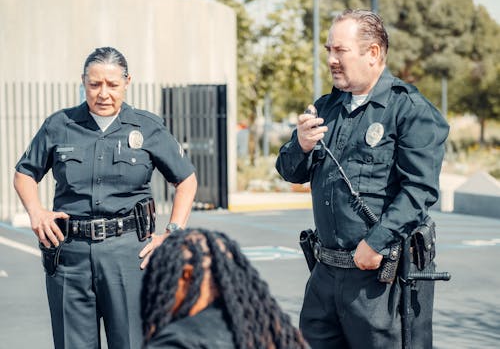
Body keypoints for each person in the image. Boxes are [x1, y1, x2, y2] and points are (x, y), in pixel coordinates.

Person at [276, 9, 449, 348]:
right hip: (325, 276)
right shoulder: (326, 107)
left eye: (340, 50)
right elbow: (289, 171)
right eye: (328, 50)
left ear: (372, 53)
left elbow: (420, 189)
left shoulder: (409, 109)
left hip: (378, 281)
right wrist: (300, 144)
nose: (331, 59)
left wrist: (377, 242)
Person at [13, 46, 198, 349]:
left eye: (112, 85)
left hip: (129, 256)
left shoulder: (147, 127)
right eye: (94, 84)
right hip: (69, 256)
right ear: (83, 81)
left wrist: (171, 233)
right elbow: (24, 173)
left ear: (127, 82)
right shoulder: (59, 125)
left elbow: (186, 180)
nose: (103, 93)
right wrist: (36, 212)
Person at [141, 228, 308, 349]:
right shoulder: (268, 329)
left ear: (187, 275)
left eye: (163, 280)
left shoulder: (177, 341)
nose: (159, 294)